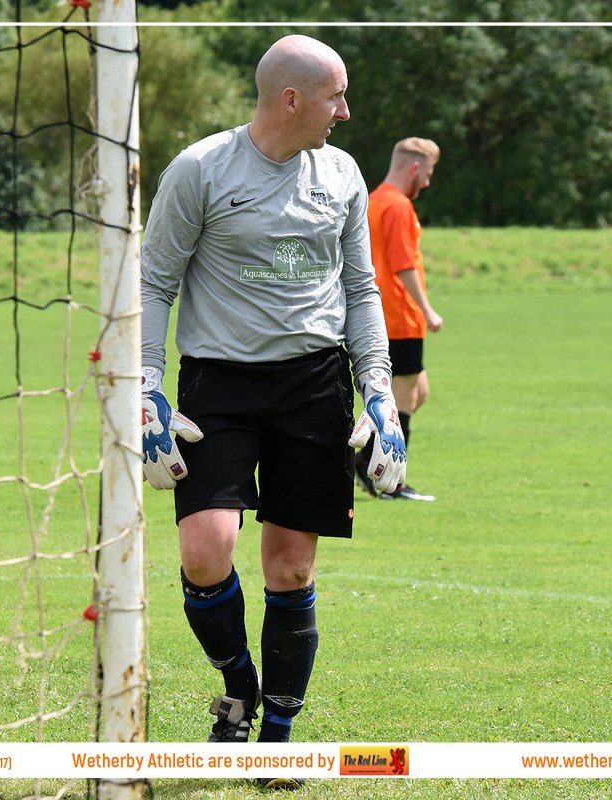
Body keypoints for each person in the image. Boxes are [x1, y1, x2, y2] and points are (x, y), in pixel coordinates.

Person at [139, 34, 405, 790]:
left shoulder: (343, 174)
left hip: (315, 384)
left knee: (290, 565)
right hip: (218, 383)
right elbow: (155, 281)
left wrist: (379, 392)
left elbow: (361, 290)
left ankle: (276, 734)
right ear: (292, 100)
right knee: (205, 547)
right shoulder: (200, 169)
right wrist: (145, 385)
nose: (345, 112)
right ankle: (237, 686)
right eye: (335, 97)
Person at [356, 137, 444, 502]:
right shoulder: (398, 206)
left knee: (418, 391)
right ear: (413, 168)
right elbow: (403, 263)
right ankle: (388, 478)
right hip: (399, 315)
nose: (426, 181)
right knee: (404, 398)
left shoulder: (372, 200)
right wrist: (427, 310)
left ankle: (362, 458)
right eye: (427, 173)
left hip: (378, 315)